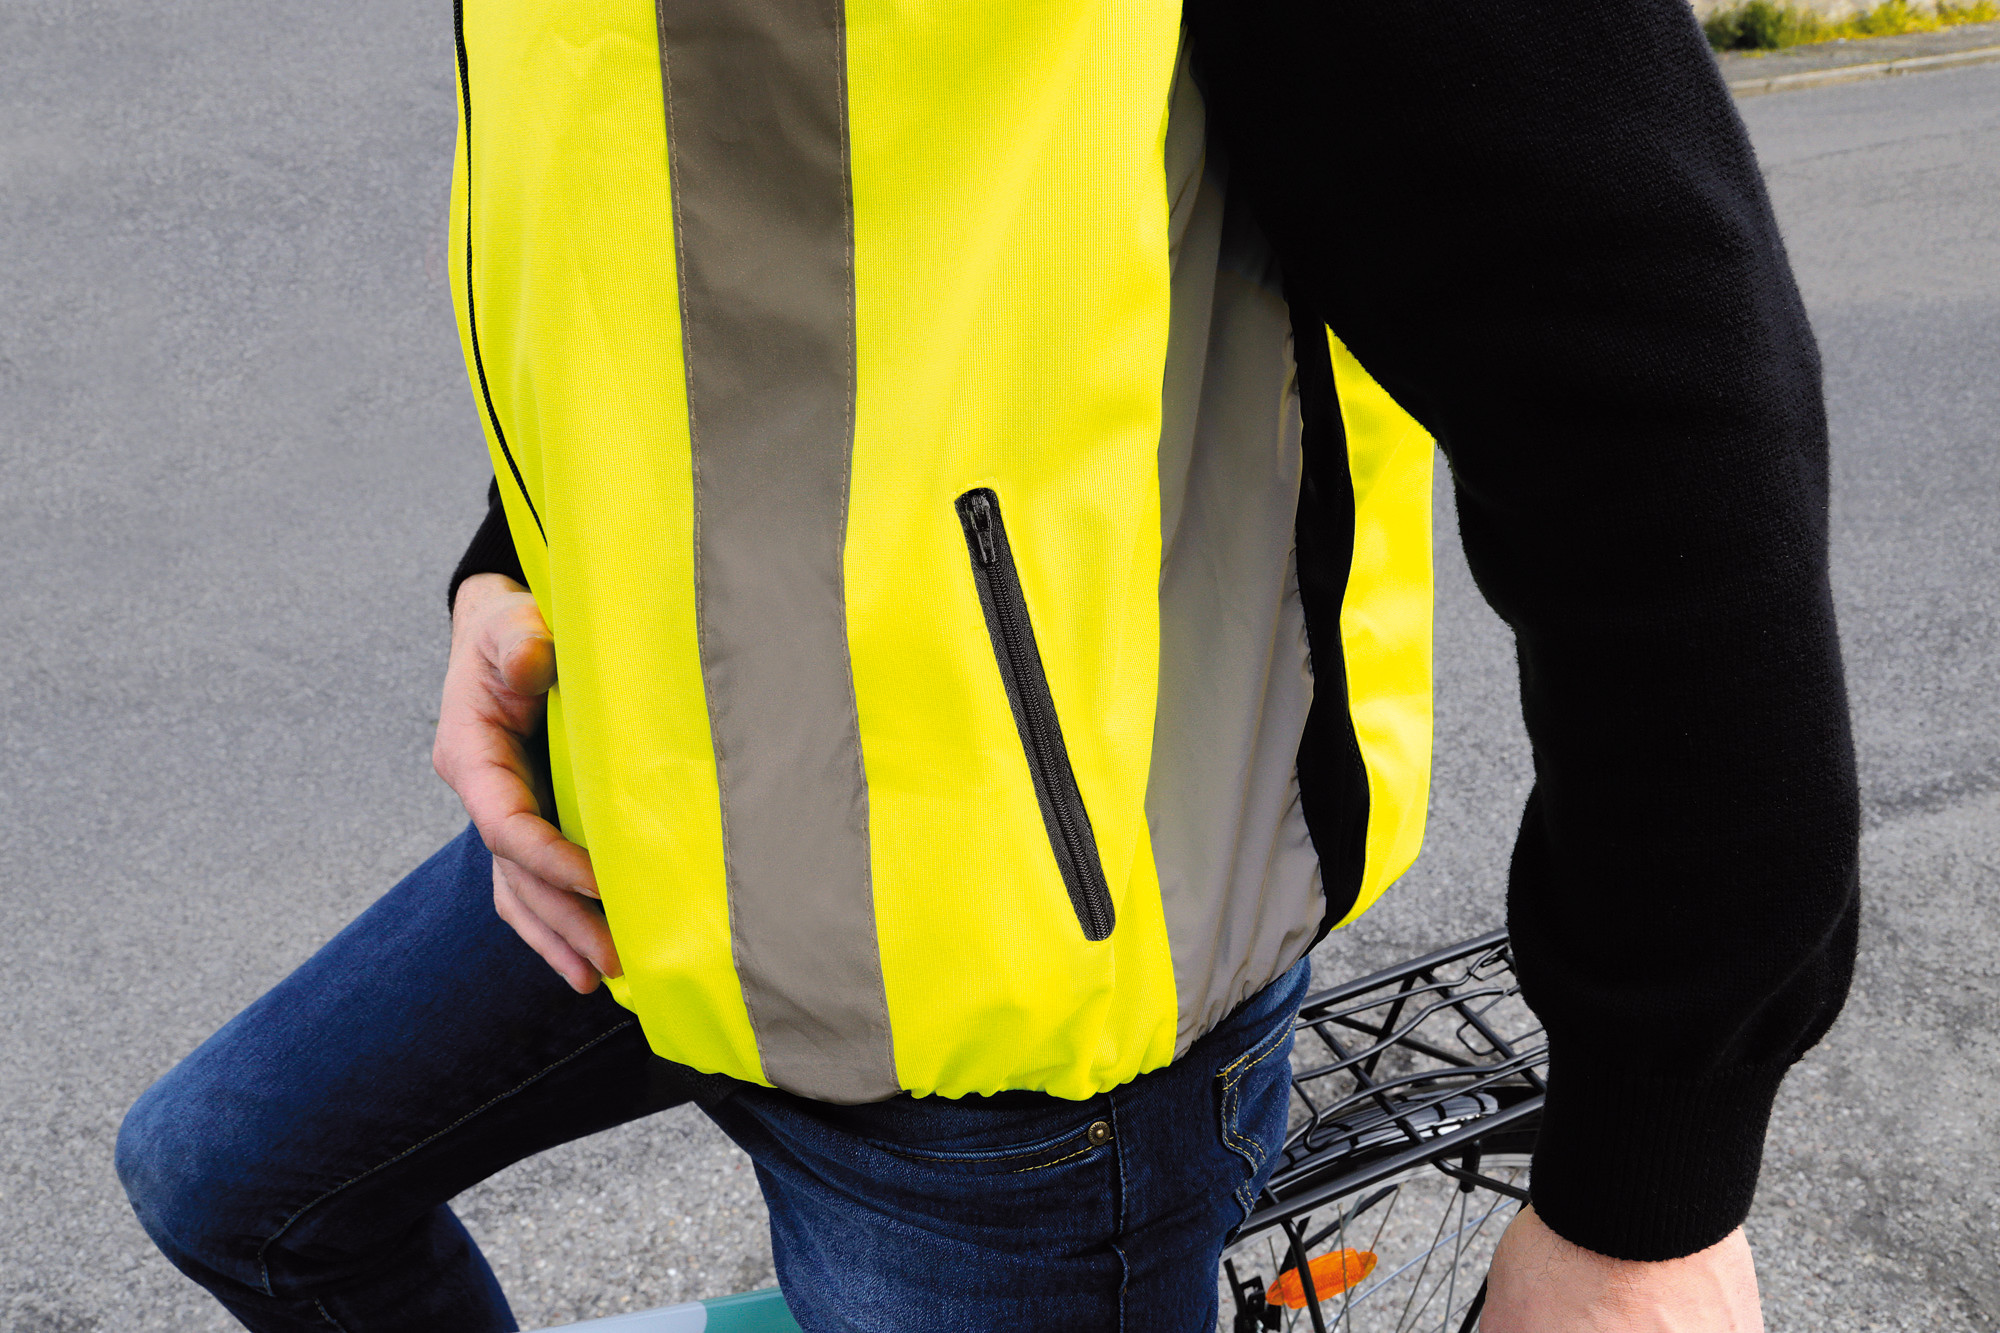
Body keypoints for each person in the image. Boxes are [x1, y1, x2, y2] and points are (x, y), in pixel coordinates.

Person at [116, 0, 1859, 1329]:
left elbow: (1645, 366)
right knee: (229, 1180)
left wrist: (1646, 1197)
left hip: (1005, 1031)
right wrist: (510, 555)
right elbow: (677, 212)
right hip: (650, 822)